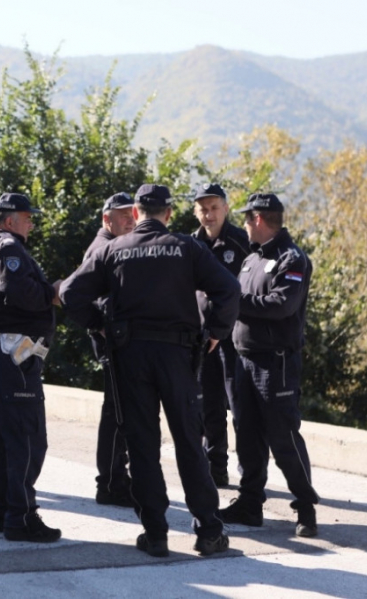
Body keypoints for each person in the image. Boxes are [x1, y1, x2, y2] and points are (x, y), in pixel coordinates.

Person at [59, 184, 239, 558]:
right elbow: (228, 289)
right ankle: (208, 531)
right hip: (177, 357)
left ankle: (156, 534)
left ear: (136, 213)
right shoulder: (187, 248)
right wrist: (215, 332)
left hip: (131, 357)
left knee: (142, 444)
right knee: (189, 442)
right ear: (168, 214)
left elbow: (71, 293)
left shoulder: (112, 249)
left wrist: (99, 325)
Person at [218, 193, 320, 537]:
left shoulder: (292, 259)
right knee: (246, 434)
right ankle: (250, 504)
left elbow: (281, 305)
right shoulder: (251, 259)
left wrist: (235, 300)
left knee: (282, 435)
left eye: (247, 219)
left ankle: (305, 507)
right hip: (243, 360)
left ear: (259, 219)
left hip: (275, 364)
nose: (244, 225)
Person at [0, 192, 61, 543]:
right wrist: (51, 293)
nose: (31, 224)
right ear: (9, 221)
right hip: (11, 354)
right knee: (26, 438)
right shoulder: (7, 246)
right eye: (27, 217)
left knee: (0, 439)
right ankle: (21, 518)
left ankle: (2, 512)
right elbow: (17, 291)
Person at [191, 183, 250, 487]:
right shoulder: (191, 245)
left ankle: (250, 473)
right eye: (203, 209)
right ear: (196, 212)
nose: (209, 214)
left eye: (214, 208)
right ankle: (216, 469)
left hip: (234, 338)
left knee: (240, 407)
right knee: (209, 406)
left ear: (226, 209)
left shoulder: (241, 242)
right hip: (204, 338)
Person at [83, 192, 135, 507]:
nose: (130, 220)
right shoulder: (102, 248)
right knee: (116, 414)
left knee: (120, 412)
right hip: (113, 345)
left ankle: (116, 479)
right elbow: (79, 293)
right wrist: (100, 325)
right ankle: (111, 484)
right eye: (123, 215)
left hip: (120, 343)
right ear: (107, 219)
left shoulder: (116, 245)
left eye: (133, 214)